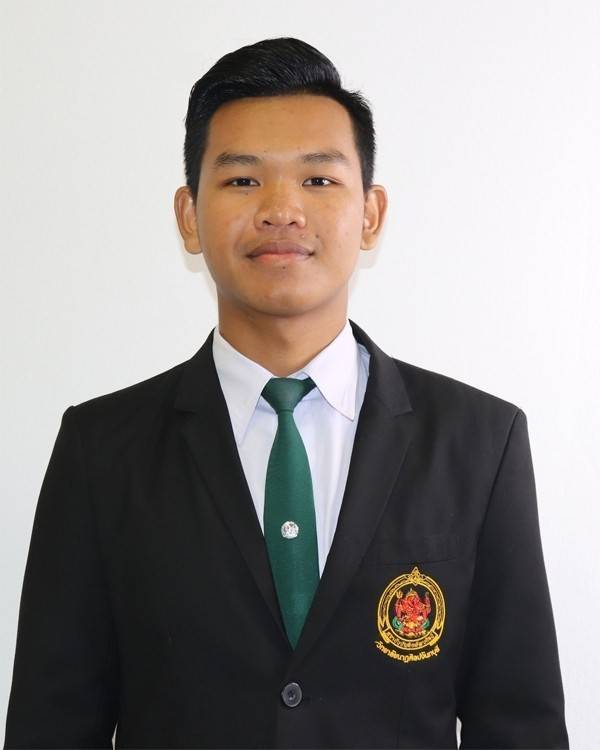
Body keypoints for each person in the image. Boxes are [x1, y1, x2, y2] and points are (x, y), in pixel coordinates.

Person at [4, 37, 569, 749]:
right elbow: (52, 727)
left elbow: (520, 726)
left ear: (370, 213)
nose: (281, 210)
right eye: (243, 180)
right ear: (189, 215)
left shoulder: (480, 443)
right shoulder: (102, 450)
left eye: (318, 179)